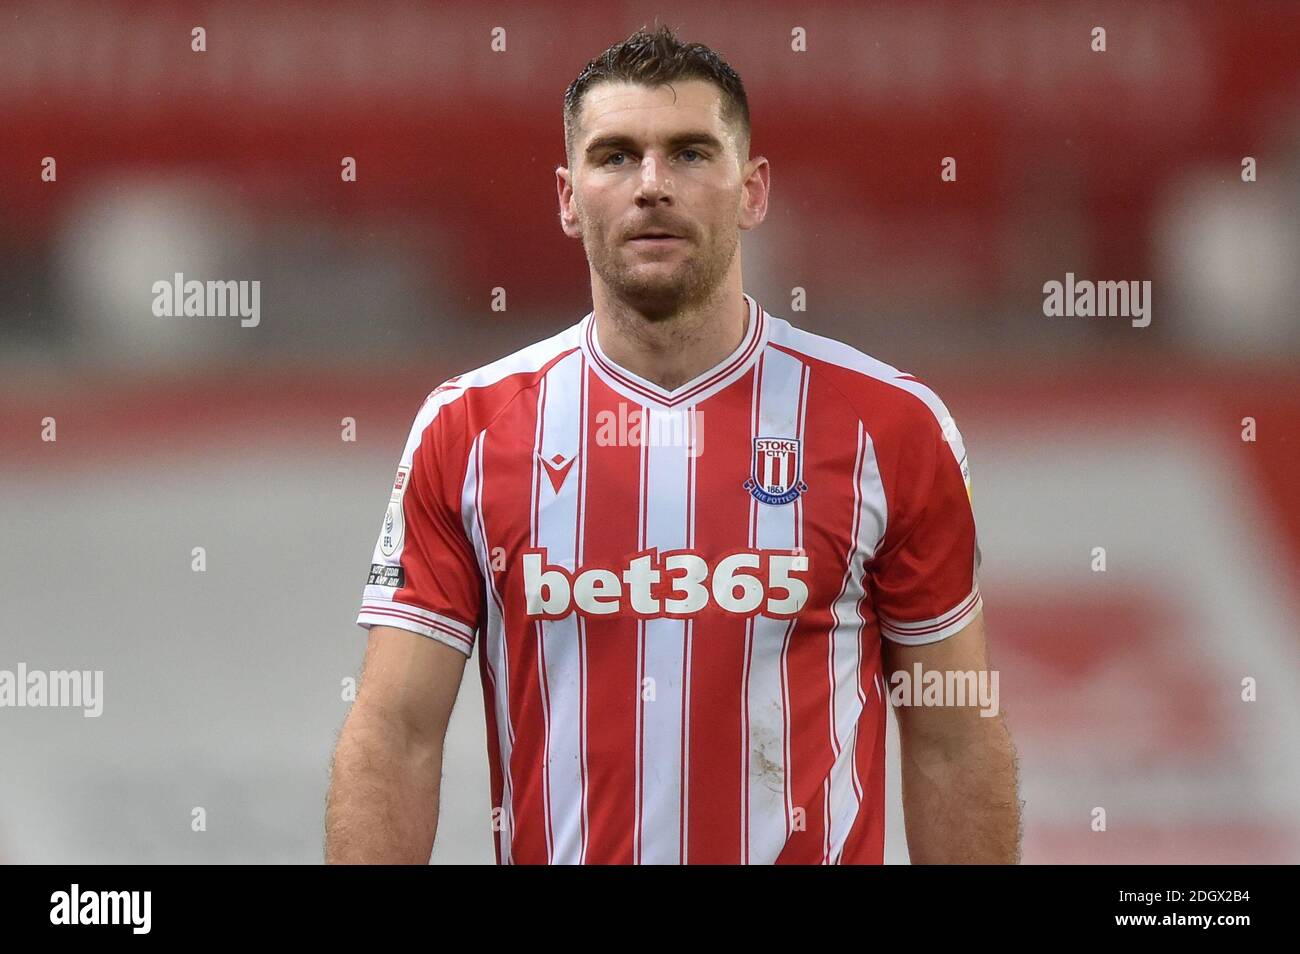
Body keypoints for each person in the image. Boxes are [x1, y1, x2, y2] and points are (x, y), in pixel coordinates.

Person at [325, 23, 1020, 864]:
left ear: (753, 190)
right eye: (616, 156)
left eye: (691, 153)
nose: (652, 185)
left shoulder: (892, 426)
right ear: (567, 196)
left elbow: (953, 737)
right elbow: (396, 734)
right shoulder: (467, 430)